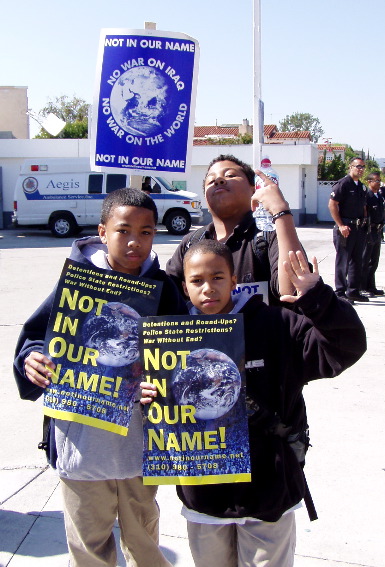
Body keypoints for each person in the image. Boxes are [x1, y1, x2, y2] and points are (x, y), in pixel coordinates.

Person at [141, 239, 366, 567]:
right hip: (204, 495)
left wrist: (318, 297)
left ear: (234, 281)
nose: (208, 288)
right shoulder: (166, 341)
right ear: (184, 286)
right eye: (197, 281)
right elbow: (158, 408)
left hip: (268, 493)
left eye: (218, 277)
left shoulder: (277, 324)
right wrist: (145, 393)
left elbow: (344, 348)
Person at [13, 188, 187, 567]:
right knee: (90, 551)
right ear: (103, 231)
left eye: (146, 232)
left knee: (145, 547)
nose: (134, 242)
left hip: (139, 451)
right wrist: (31, 360)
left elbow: (183, 362)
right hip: (83, 449)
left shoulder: (165, 291)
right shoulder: (76, 283)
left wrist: (164, 384)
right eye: (124, 230)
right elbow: (35, 337)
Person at [166, 154, 305, 305]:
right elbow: (164, 297)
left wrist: (281, 212)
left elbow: (292, 292)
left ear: (254, 189)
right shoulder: (191, 243)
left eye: (230, 175)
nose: (219, 181)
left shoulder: (269, 234)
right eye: (211, 180)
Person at [328, 156, 369, 302]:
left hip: (358, 228)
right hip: (345, 227)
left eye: (363, 167)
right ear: (350, 167)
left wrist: (364, 222)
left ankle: (353, 291)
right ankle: (340, 292)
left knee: (357, 260)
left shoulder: (361, 186)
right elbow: (332, 205)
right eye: (358, 166)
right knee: (343, 260)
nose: (361, 169)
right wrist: (340, 225)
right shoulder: (343, 184)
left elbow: (364, 206)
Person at [361, 171, 384, 295]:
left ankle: (371, 286)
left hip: (378, 231)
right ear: (369, 182)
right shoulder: (367, 196)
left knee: (374, 260)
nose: (379, 183)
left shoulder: (379, 196)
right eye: (376, 180)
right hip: (369, 231)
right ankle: (363, 287)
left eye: (379, 180)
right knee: (365, 260)